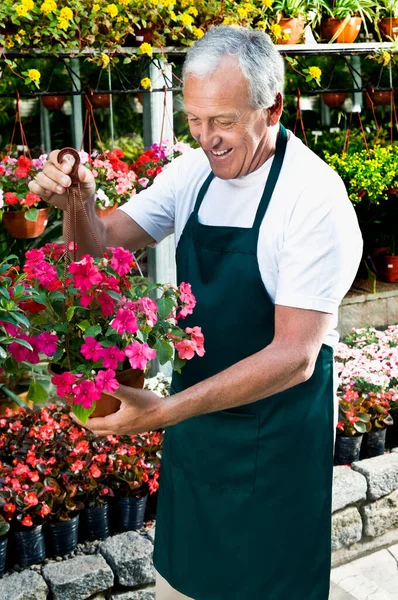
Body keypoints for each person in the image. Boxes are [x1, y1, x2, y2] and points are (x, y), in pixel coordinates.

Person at [29, 26, 363, 600]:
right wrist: (78, 201)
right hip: (196, 430)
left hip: (276, 441)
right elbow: (102, 249)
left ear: (272, 107)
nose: (208, 139)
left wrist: (163, 411)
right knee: (182, 585)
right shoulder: (191, 174)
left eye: (224, 121)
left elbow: (295, 356)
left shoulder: (313, 199)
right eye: (196, 120)